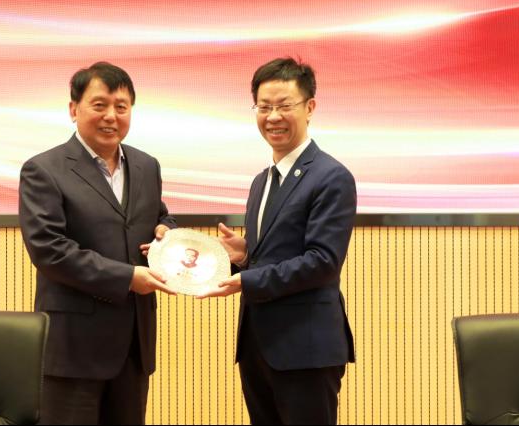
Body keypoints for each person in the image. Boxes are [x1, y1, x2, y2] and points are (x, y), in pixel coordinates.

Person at [199, 57, 356, 425]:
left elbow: (322, 261)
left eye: (284, 106)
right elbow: (280, 250)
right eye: (264, 107)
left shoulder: (331, 177)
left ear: (310, 107)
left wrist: (247, 279)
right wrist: (245, 256)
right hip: (257, 346)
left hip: (306, 349)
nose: (273, 117)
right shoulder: (262, 181)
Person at [19, 62, 177, 425]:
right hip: (73, 349)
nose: (111, 116)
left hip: (134, 346)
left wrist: (167, 233)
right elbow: (49, 249)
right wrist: (127, 278)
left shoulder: (147, 166)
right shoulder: (44, 169)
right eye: (99, 105)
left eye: (121, 107)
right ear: (74, 109)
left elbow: (159, 217)